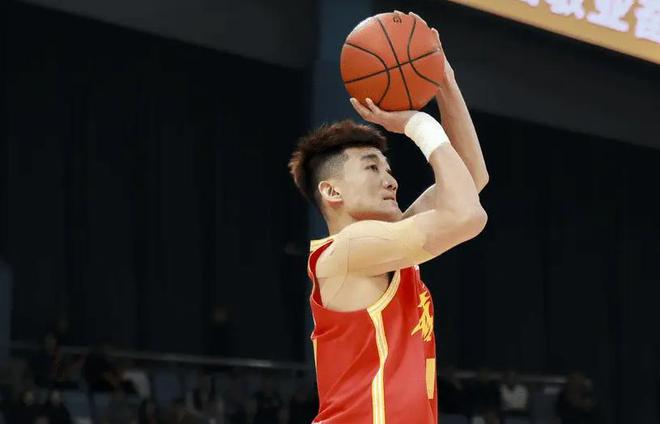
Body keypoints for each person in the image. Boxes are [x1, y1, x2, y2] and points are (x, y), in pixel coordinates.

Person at [288, 12, 488, 424]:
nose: (391, 180)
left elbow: (470, 181)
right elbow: (466, 215)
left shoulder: (387, 248)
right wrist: (417, 123)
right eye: (372, 168)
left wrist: (444, 83)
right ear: (332, 191)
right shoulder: (348, 251)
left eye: (388, 167)